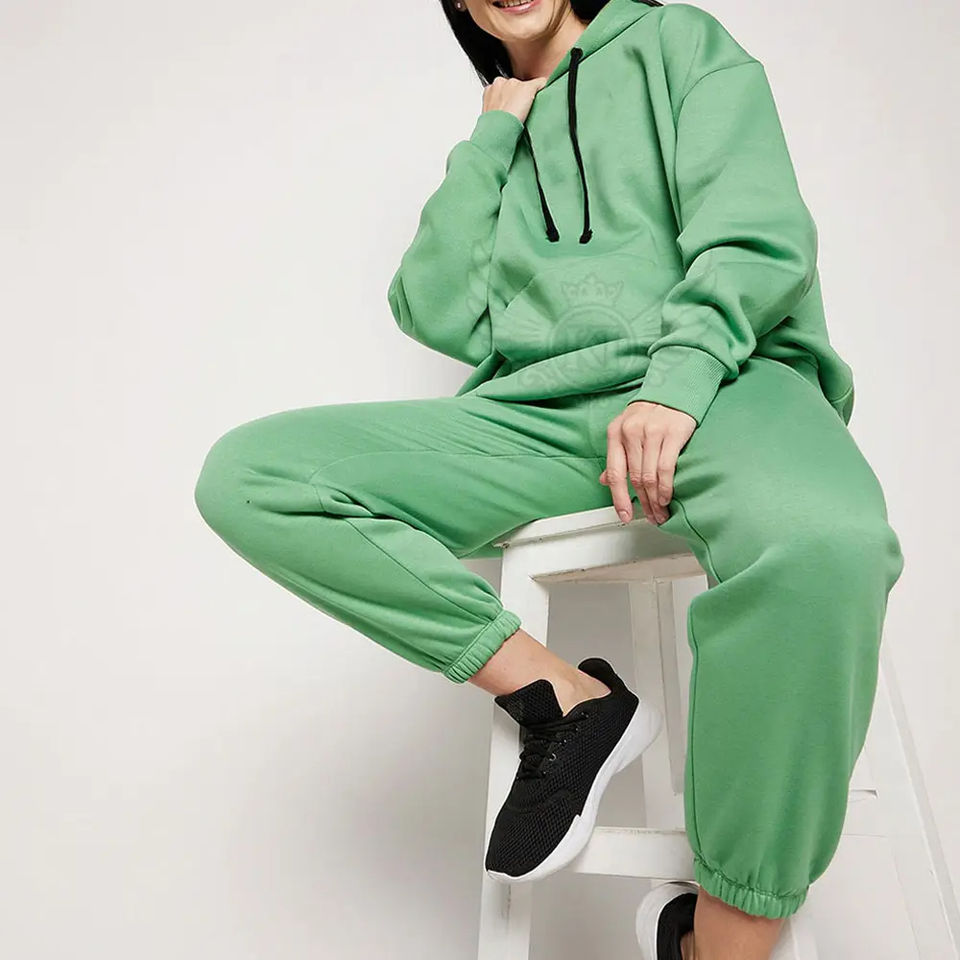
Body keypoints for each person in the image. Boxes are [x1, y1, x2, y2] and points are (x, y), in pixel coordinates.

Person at [193, 1, 905, 957]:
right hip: (537, 416)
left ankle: (721, 939)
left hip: (720, 386)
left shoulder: (674, 43)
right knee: (254, 475)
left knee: (826, 543)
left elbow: (757, 230)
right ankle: (564, 699)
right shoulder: (501, 129)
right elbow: (436, 310)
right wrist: (493, 134)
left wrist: (678, 381)